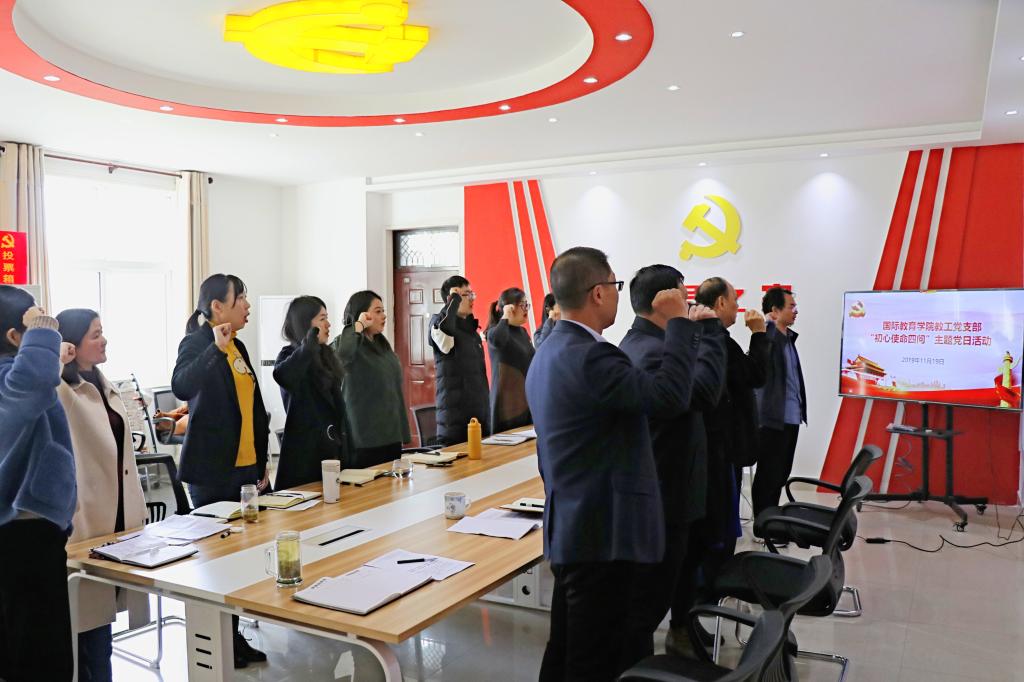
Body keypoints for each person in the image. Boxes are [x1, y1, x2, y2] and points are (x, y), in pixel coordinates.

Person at [525, 247, 711, 682]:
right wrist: (680, 323)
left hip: (573, 525)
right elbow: (669, 398)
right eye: (614, 285)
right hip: (602, 534)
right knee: (597, 658)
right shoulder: (593, 356)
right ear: (597, 293)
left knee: (568, 648)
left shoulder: (550, 349)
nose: (616, 294)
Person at [618, 265, 726, 665]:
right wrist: (710, 332)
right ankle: (635, 670)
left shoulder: (656, 344)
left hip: (671, 492)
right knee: (645, 608)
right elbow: (706, 392)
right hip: (663, 499)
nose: (690, 302)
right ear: (665, 299)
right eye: (684, 294)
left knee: (653, 600)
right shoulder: (650, 351)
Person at [664, 277, 772, 656]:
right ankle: (694, 610)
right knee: (710, 537)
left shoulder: (715, 341)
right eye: (734, 302)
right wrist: (759, 335)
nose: (738, 309)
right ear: (721, 303)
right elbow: (755, 375)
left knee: (713, 535)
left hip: (718, 451)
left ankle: (693, 612)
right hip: (712, 454)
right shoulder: (713, 342)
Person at [171, 273, 268, 669]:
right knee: (217, 560)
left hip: (246, 468)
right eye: (240, 298)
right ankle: (219, 640)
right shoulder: (197, 343)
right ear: (217, 306)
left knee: (242, 558)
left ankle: (235, 637)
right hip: (212, 470)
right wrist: (215, 347)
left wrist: (261, 462)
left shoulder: (239, 345)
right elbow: (181, 385)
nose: (247, 305)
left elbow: (253, 405)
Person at [56, 309, 148, 682]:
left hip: (119, 516)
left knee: (102, 633)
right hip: (88, 519)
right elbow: (42, 393)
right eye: (95, 334)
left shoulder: (103, 382)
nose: (104, 339)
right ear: (71, 345)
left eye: (102, 331)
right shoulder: (63, 388)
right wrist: (55, 357)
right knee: (87, 632)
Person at [0, 286, 76, 682]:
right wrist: (44, 329)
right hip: (20, 531)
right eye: (33, 322)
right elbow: (31, 382)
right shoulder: (10, 379)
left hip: (32, 528)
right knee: (38, 657)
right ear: (16, 336)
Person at [273, 296, 347, 489]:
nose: (328, 324)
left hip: (332, 449)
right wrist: (308, 346)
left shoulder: (326, 355)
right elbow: (282, 375)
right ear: (305, 323)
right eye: (322, 319)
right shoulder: (290, 355)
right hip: (305, 457)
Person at [331, 291, 411, 468]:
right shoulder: (347, 342)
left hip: (390, 435)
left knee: (392, 484)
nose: (384, 316)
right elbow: (342, 355)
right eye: (378, 311)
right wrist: (358, 325)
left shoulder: (382, 344)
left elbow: (393, 390)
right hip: (364, 438)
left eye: (383, 311)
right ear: (363, 314)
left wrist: (402, 431)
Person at [752, 287, 807, 517]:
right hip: (773, 419)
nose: (796, 311)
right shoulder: (769, 337)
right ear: (774, 311)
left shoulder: (788, 339)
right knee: (768, 474)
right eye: (791, 306)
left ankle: (771, 519)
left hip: (791, 417)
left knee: (780, 474)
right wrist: (768, 325)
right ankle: (763, 522)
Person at [428, 275, 489, 444]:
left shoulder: (471, 330)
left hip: (479, 417)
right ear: (451, 298)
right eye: (465, 295)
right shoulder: (438, 323)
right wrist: (453, 302)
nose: (471, 299)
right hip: (455, 422)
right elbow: (445, 342)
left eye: (472, 294)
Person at [485, 287, 535, 433]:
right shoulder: (494, 332)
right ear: (510, 308)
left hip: (525, 401)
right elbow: (498, 340)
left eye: (527, 305)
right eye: (523, 305)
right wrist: (505, 316)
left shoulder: (522, 332)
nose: (526, 309)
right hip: (507, 407)